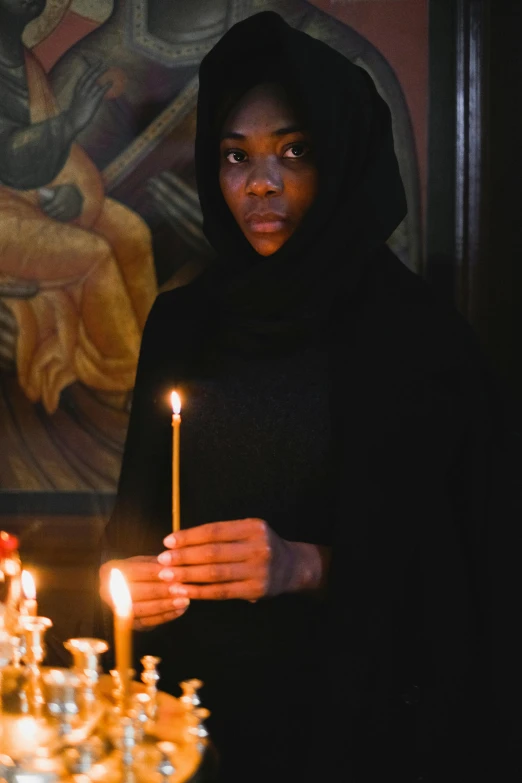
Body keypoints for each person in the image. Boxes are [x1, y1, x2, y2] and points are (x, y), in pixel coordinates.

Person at [99, 12, 521, 783]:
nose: (260, 182)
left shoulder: (417, 339)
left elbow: (471, 567)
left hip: (357, 726)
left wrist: (306, 565)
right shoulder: (183, 323)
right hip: (193, 725)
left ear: (344, 159)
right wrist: (125, 583)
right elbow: (134, 527)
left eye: (294, 151)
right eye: (235, 156)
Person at [0, 0, 157, 415]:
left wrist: (73, 194)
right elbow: (9, 157)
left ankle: (153, 364)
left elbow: (59, 159)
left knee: (130, 232)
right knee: (95, 255)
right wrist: (72, 120)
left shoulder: (24, 63)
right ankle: (125, 383)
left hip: (26, 201)